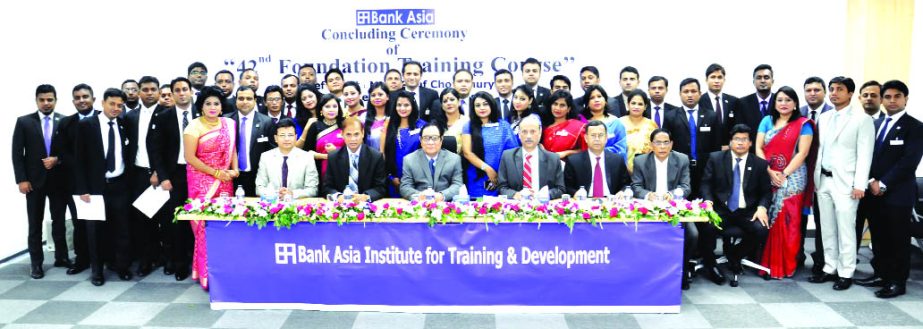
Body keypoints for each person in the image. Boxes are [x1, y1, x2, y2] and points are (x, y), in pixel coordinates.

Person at [854, 80, 923, 298]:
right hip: (874, 193)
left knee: (898, 239)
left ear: (906, 99)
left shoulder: (915, 127)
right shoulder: (876, 124)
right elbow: (868, 156)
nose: (892, 101)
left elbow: (908, 161)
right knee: (880, 237)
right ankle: (881, 274)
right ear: (882, 99)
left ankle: (897, 281)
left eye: (897, 96)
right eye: (888, 97)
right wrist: (872, 180)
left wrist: (882, 183)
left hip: (897, 195)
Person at [808, 76, 874, 291]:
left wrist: (860, 185)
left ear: (850, 94)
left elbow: (865, 154)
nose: (834, 93)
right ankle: (829, 267)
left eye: (840, 89)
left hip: (846, 183)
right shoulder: (825, 117)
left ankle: (846, 272)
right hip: (823, 180)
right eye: (832, 89)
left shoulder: (861, 119)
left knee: (846, 229)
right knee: (826, 228)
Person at [74, 88, 135, 286]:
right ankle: (97, 272)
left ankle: (122, 267)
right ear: (102, 103)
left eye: (120, 105)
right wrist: (82, 188)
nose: (116, 108)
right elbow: (79, 160)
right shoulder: (86, 125)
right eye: (112, 104)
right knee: (95, 232)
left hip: (120, 185)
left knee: (122, 229)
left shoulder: (124, 124)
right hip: (94, 189)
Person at [755, 86, 816, 280]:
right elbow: (758, 147)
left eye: (788, 100)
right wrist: (769, 171)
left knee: (788, 221)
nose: (783, 103)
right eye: (780, 100)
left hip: (794, 177)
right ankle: (767, 263)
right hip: (767, 173)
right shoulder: (767, 120)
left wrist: (783, 174)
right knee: (769, 217)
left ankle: (786, 265)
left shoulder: (803, 124)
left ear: (795, 103)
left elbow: (803, 153)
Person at [183, 86, 240, 290]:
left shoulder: (229, 124)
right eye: (208, 103)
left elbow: (232, 149)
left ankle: (224, 271)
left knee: (224, 225)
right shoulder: (193, 127)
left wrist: (235, 169)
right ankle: (206, 275)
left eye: (216, 103)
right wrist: (215, 173)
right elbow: (190, 158)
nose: (213, 107)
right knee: (204, 228)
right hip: (202, 182)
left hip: (225, 180)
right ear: (201, 106)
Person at [700, 124, 772, 287]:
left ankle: (735, 255)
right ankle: (711, 266)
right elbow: (706, 184)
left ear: (750, 143)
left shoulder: (760, 164)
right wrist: (708, 202)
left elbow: (766, 192)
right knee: (706, 227)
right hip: (721, 209)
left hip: (747, 211)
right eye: (737, 139)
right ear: (731, 142)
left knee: (762, 229)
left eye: (744, 139)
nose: (740, 143)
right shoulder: (716, 158)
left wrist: (762, 207)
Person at [12, 84, 71, 279]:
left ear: (55, 100)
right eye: (42, 100)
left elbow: (70, 151)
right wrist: (21, 180)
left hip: (59, 181)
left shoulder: (64, 121)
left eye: (50, 100)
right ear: (36, 100)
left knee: (59, 221)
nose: (46, 103)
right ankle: (36, 264)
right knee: (35, 224)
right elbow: (17, 154)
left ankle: (61, 257)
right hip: (33, 183)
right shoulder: (24, 122)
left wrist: (58, 159)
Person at [630, 129, 695, 289]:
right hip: (649, 208)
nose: (662, 146)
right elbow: (636, 186)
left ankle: (683, 270)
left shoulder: (681, 159)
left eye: (666, 142)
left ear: (671, 144)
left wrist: (672, 194)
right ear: (651, 145)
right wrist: (647, 195)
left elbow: (686, 187)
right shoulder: (640, 161)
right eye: (658, 142)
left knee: (693, 234)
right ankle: (648, 271)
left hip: (674, 206)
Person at [148, 77, 198, 281]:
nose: (181, 93)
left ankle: (198, 262)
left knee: (198, 219)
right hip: (174, 175)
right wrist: (164, 177)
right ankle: (180, 264)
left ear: (191, 91)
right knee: (176, 221)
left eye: (185, 89)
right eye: (177, 90)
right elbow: (156, 150)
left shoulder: (203, 114)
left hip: (199, 174)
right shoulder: (163, 116)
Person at [123, 76, 164, 277]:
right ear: (139, 92)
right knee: (142, 219)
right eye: (145, 89)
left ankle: (168, 259)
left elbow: (170, 149)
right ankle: (146, 260)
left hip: (161, 175)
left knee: (165, 218)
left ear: (158, 91)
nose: (149, 93)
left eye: (153, 89)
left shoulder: (167, 113)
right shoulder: (130, 117)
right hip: (138, 174)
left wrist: (159, 171)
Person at [57, 84, 98, 276]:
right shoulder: (66, 123)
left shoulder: (103, 118)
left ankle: (107, 257)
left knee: (105, 222)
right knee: (80, 222)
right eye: (77, 97)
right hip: (76, 182)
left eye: (85, 96)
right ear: (73, 101)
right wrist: (81, 166)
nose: (82, 100)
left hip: (103, 181)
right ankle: (82, 259)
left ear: (93, 98)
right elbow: (61, 152)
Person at [663, 78, 720, 199]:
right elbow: (666, 145)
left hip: (706, 168)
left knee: (704, 202)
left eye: (693, 91)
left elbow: (716, 146)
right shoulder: (670, 116)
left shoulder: (711, 116)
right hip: (679, 168)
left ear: (700, 93)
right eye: (686, 91)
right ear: (680, 94)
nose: (690, 95)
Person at [799, 76, 833, 272]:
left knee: (824, 220)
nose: (812, 93)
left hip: (825, 175)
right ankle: (798, 255)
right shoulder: (799, 114)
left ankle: (822, 260)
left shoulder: (833, 113)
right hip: (801, 175)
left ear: (824, 92)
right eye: (808, 90)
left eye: (817, 90)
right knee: (800, 218)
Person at [462, 91, 519, 198]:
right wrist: (487, 169)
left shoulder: (504, 126)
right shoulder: (468, 126)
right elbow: (467, 153)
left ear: (492, 105)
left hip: (502, 178)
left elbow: (513, 152)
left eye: (485, 104)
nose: (482, 108)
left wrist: (500, 174)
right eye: (477, 105)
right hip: (477, 176)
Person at [498, 115, 565, 199]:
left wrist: (544, 195)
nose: (528, 136)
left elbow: (560, 189)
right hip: (516, 207)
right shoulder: (507, 156)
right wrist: (515, 195)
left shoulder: (553, 158)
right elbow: (502, 187)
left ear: (540, 133)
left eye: (533, 131)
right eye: (524, 132)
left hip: (543, 206)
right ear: (519, 134)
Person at [225, 86, 275, 196]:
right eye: (241, 98)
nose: (245, 102)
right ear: (236, 100)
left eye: (249, 98)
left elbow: (272, 151)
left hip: (257, 176)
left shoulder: (266, 122)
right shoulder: (226, 120)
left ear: (255, 100)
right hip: (231, 175)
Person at [323, 117, 388, 202]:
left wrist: (366, 197)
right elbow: (327, 187)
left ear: (363, 133)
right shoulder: (333, 156)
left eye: (356, 134)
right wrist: (338, 196)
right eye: (348, 134)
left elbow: (381, 187)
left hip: (367, 206)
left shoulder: (376, 157)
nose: (353, 139)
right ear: (342, 134)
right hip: (341, 205)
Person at [255, 118, 319, 199]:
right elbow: (259, 188)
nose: (286, 139)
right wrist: (276, 194)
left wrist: (292, 193)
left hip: (298, 205)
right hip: (272, 203)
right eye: (282, 135)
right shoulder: (266, 157)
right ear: (275, 138)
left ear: (296, 137)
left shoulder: (307, 157)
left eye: (290, 135)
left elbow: (313, 190)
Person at [399, 121, 464, 201]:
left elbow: (458, 185)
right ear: (420, 140)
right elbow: (405, 187)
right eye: (426, 138)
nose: (430, 142)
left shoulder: (454, 159)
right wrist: (419, 196)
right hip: (420, 206)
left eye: (435, 138)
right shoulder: (409, 159)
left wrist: (442, 195)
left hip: (445, 205)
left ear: (441, 139)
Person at [563, 120, 630, 197]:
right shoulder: (574, 161)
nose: (597, 139)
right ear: (586, 138)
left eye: (601, 135)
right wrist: (575, 193)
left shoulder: (617, 160)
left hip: (611, 202)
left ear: (606, 138)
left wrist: (622, 192)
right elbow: (567, 186)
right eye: (593, 135)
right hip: (584, 202)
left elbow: (626, 184)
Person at [380, 90, 427, 197]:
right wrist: (391, 177)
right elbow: (382, 153)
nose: (402, 108)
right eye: (399, 105)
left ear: (413, 106)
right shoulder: (389, 125)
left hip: (418, 181)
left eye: (406, 105)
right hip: (394, 180)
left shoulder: (423, 126)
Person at [301, 94, 345, 184]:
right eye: (327, 106)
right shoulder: (315, 126)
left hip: (343, 169)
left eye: (334, 106)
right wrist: (326, 156)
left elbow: (353, 150)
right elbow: (307, 152)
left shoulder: (344, 125)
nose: (331, 109)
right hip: (319, 171)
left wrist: (336, 151)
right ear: (321, 110)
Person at [699, 64, 742, 147]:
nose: (716, 81)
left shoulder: (733, 101)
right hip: (707, 150)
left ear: (724, 80)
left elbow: (737, 126)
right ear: (706, 80)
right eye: (713, 77)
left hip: (729, 148)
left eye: (720, 77)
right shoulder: (699, 101)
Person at [581, 85, 628, 159]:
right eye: (592, 98)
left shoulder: (616, 122)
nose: (596, 100)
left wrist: (599, 153)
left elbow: (621, 149)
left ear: (605, 100)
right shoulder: (581, 123)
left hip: (611, 164)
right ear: (587, 104)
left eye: (599, 96)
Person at [620, 89, 659, 172]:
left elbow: (657, 149)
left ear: (645, 107)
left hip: (646, 170)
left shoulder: (652, 125)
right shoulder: (619, 123)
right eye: (633, 103)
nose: (636, 107)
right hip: (621, 170)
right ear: (628, 105)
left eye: (640, 104)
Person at [541, 90, 585, 159]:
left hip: (569, 166)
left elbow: (585, 150)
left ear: (568, 109)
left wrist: (567, 153)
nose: (557, 108)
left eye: (562, 105)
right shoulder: (544, 127)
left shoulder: (578, 126)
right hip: (547, 165)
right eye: (555, 104)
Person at [738, 64, 774, 144]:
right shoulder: (742, 103)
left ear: (772, 81)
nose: (762, 81)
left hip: (776, 150)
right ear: (754, 82)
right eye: (759, 77)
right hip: (751, 150)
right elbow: (740, 131)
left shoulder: (780, 101)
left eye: (766, 77)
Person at [440, 87, 468, 153]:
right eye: (445, 101)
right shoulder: (436, 125)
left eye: (452, 100)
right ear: (442, 105)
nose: (448, 103)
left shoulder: (467, 122)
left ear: (459, 102)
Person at [364, 82, 390, 151]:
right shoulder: (363, 118)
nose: (377, 97)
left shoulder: (393, 117)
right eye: (373, 95)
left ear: (387, 97)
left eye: (380, 94)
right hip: (370, 158)